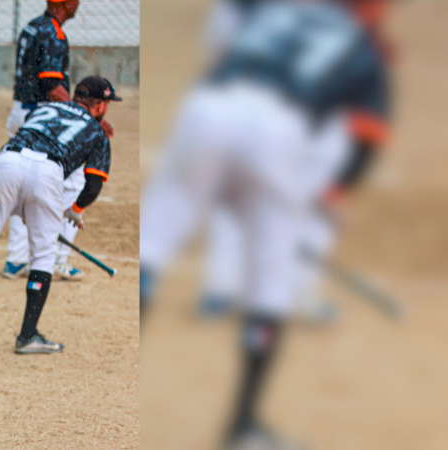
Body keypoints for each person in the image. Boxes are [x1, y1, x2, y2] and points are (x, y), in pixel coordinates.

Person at [139, 0, 392, 447]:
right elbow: (368, 136)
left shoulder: (280, 8)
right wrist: (321, 198)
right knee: (270, 285)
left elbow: (226, 38)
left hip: (209, 106)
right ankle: (242, 428)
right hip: (282, 125)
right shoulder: (365, 45)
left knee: (153, 243)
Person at [0, 76, 119, 355]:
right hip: (49, 172)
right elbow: (92, 186)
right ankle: (28, 335)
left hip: (9, 160)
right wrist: (74, 211)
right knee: (43, 255)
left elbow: (19, 141)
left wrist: (17, 197)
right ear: (100, 106)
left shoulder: (44, 109)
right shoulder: (97, 132)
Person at [2, 0, 109, 282]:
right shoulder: (53, 32)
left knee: (19, 182)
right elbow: (51, 85)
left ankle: (15, 259)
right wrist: (85, 115)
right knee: (74, 182)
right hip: (42, 119)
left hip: (21, 112)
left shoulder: (32, 27)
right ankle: (56, 259)